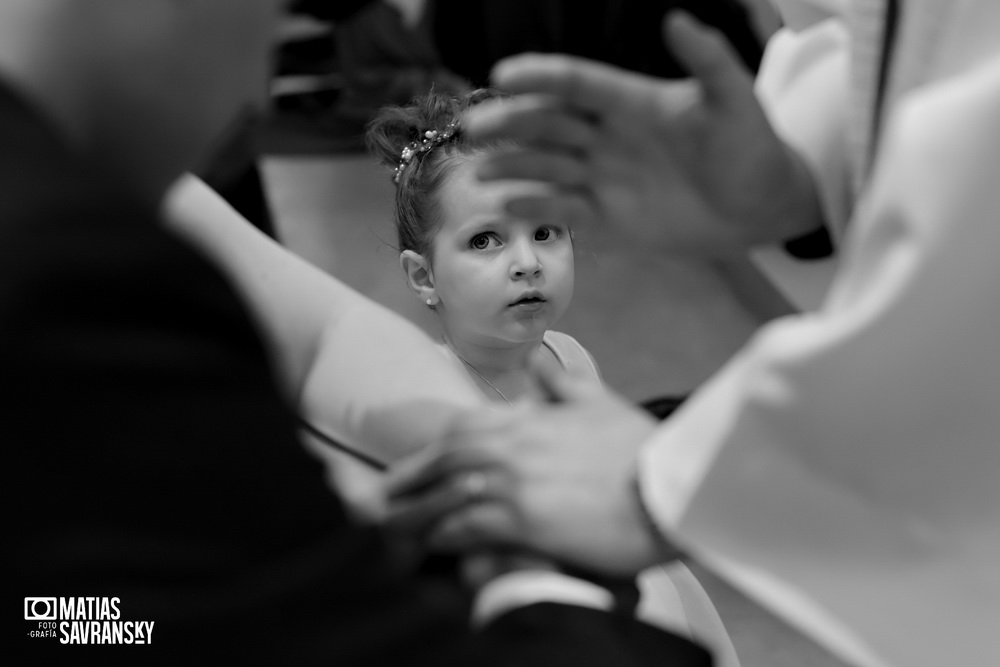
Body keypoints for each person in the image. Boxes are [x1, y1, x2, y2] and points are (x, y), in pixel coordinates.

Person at [6, 1, 718, 664]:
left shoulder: (101, 213)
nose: (257, 93)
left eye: (545, 232)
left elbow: (322, 334)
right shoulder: (70, 271)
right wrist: (530, 579)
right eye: (269, 18)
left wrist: (483, 479)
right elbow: (96, 616)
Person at [383, 3, 1000, 666]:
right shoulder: (425, 397)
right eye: (484, 241)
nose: (528, 261)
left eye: (546, 231)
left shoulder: (569, 358)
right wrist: (802, 172)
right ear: (424, 277)